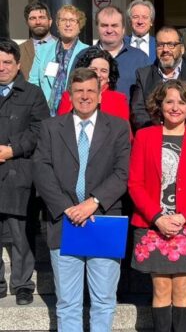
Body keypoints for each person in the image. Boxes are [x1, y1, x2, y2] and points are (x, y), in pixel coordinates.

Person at [33, 68, 131, 332]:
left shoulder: (119, 128)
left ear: (100, 95)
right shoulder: (51, 127)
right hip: (64, 222)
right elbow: (41, 168)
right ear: (70, 95)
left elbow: (123, 172)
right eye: (79, 91)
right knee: (67, 303)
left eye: (90, 91)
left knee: (103, 300)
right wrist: (68, 208)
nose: (85, 96)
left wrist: (93, 202)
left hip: (103, 221)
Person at [128, 79, 186, 332]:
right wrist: (157, 217)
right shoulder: (145, 137)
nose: (175, 107)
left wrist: (182, 217)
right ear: (159, 105)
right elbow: (135, 184)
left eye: (182, 102)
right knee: (161, 287)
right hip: (152, 225)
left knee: (182, 287)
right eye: (169, 101)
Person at [0, 38, 50, 305]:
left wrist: (12, 149)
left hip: (19, 170)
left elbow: (40, 130)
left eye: (7, 62)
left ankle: (22, 284)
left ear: (18, 65)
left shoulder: (32, 93)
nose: (2, 68)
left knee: (21, 233)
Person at [130, 26, 186, 137]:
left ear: (182, 49)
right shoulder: (143, 74)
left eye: (171, 45)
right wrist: (161, 135)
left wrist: (182, 134)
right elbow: (138, 112)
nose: (165, 50)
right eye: (161, 45)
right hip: (156, 139)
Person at [29, 4, 89, 116]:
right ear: (57, 24)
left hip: (75, 111)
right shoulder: (42, 50)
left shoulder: (88, 52)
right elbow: (33, 82)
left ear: (79, 25)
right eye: (63, 20)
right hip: (45, 111)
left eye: (72, 20)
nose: (67, 24)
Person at [57, 47, 130, 123]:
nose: (98, 74)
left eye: (103, 71)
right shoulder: (68, 96)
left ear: (109, 76)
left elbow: (124, 131)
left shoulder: (119, 100)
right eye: (93, 69)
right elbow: (61, 127)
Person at [91, 5, 150, 99]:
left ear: (123, 29)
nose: (109, 30)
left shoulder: (140, 58)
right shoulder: (84, 56)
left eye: (114, 25)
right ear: (97, 28)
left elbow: (148, 96)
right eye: (104, 25)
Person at [19, 1, 56, 79]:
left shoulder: (63, 46)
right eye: (33, 18)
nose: (38, 22)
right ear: (27, 23)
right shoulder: (19, 50)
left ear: (50, 21)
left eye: (42, 17)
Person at [125, 0, 157, 64]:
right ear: (130, 21)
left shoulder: (159, 45)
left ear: (151, 21)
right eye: (135, 17)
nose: (140, 21)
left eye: (145, 17)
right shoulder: (120, 44)